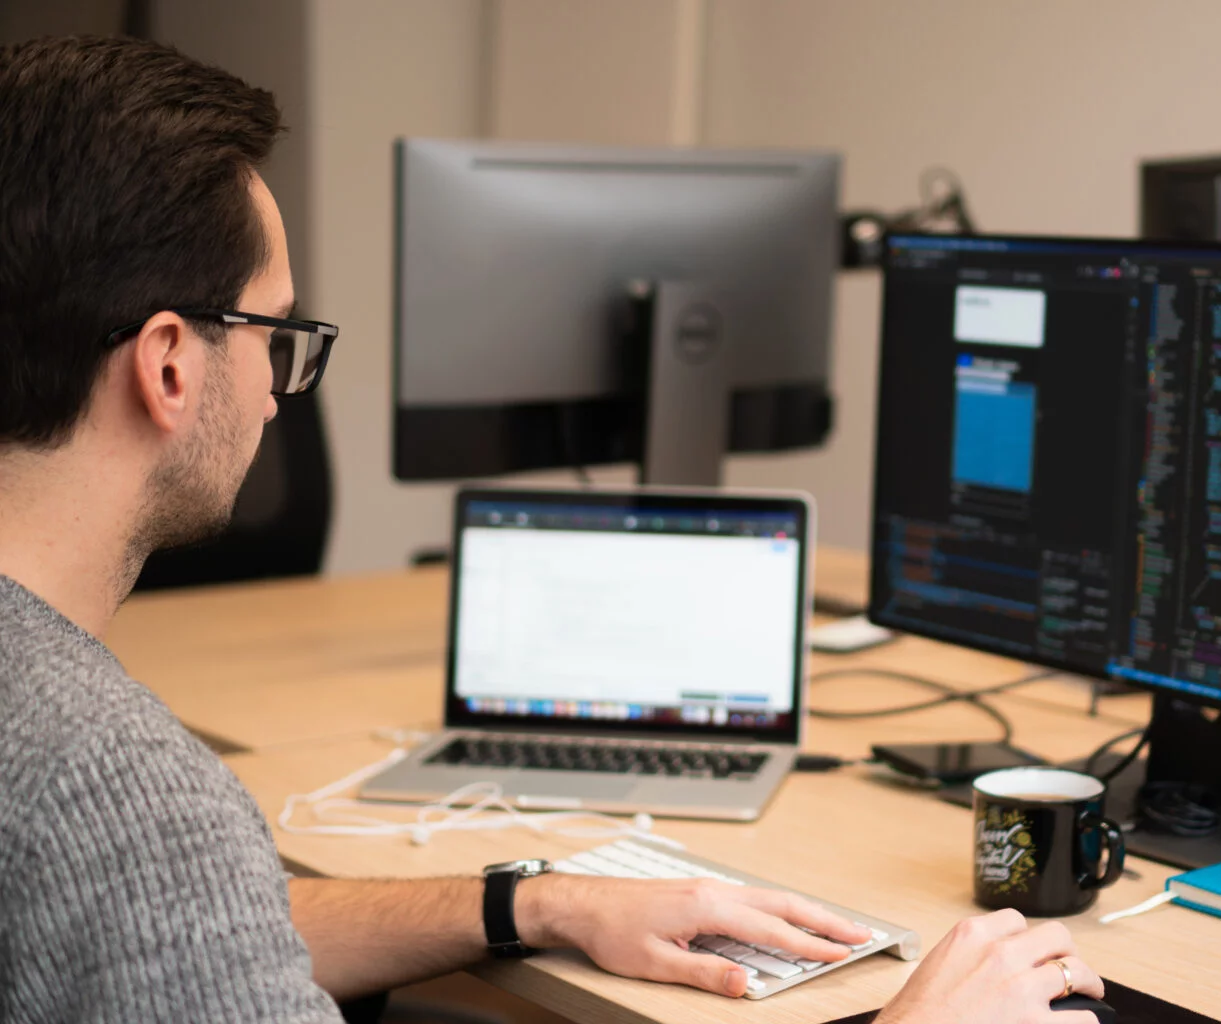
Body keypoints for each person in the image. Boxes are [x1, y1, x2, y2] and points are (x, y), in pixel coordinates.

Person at [0, 35, 1104, 1024]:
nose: (283, 385)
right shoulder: (122, 790)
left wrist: (534, 902)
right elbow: (165, 879)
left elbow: (192, 928)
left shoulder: (98, 802)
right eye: (275, 331)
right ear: (169, 364)